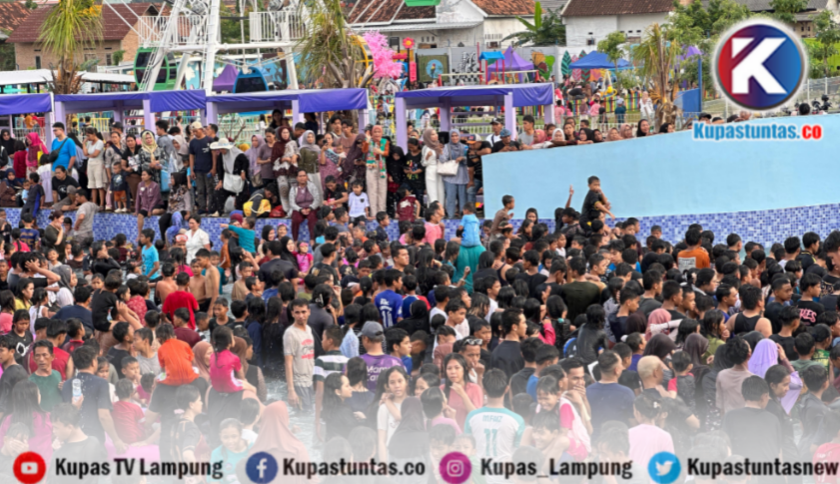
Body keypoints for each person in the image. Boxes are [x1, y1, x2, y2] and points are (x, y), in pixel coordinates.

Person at [289, 170, 321, 246]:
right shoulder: (293, 188)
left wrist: (310, 208)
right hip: (299, 208)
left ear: (307, 177)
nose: (302, 178)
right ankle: (295, 240)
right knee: (295, 219)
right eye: (300, 176)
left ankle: (312, 239)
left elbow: (317, 199)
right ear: (297, 178)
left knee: (312, 218)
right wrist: (300, 210)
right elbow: (291, 202)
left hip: (311, 207)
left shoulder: (312, 186)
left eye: (304, 176)